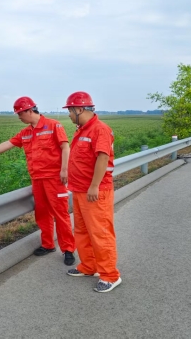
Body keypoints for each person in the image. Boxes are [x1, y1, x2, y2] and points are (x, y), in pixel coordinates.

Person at [0, 96, 76, 266]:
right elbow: (8, 144)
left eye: (20, 114)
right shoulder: (26, 133)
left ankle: (68, 249)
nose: (19, 117)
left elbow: (65, 146)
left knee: (60, 214)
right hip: (37, 179)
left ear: (29, 111)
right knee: (42, 214)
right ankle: (48, 244)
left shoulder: (53, 125)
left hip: (54, 179)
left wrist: (64, 169)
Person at [63, 91, 122, 293]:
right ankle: (89, 266)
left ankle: (110, 275)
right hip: (80, 190)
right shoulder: (82, 130)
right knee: (82, 231)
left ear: (79, 109)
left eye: (70, 111)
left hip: (94, 191)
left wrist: (95, 185)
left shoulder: (99, 129)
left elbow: (103, 157)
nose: (69, 115)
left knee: (100, 233)